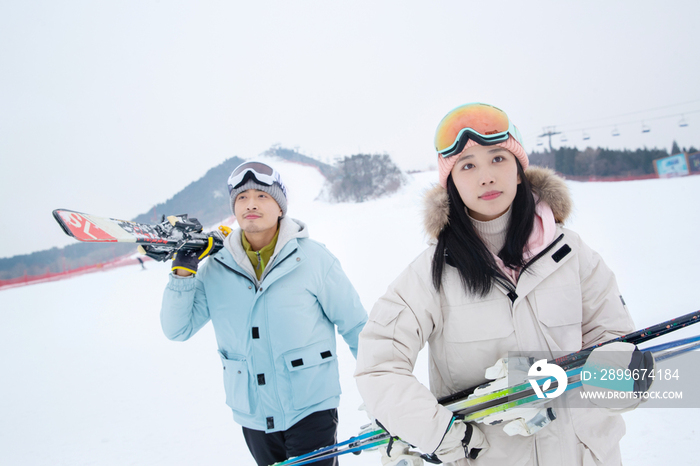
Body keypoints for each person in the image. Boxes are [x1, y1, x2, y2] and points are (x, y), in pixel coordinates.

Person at [354, 103, 651, 466]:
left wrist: (622, 377)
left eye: (498, 158)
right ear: (451, 184)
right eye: (468, 166)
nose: (486, 176)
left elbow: (614, 340)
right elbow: (379, 367)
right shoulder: (430, 274)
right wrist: (442, 435)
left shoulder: (573, 255)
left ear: (519, 170)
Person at [160, 161, 367, 466]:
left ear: (280, 207)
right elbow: (177, 329)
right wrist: (183, 275)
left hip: (311, 406)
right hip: (254, 415)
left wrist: (383, 388)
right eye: (242, 198)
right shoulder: (217, 268)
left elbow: (356, 325)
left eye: (262, 196)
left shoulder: (313, 259)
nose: (251, 204)